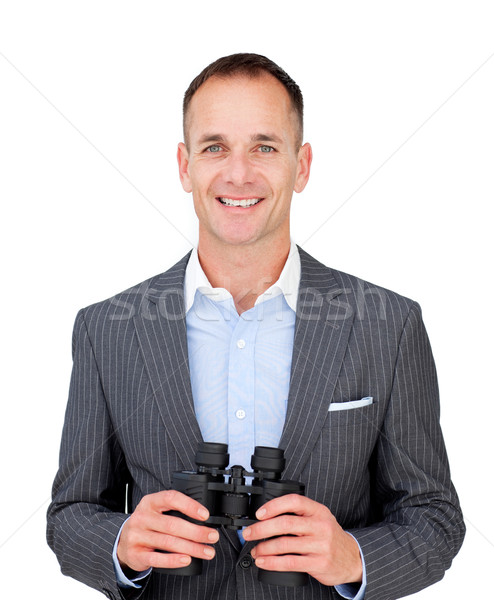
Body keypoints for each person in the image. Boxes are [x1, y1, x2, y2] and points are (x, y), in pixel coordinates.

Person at [47, 53, 465, 600]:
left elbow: (434, 517)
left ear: (302, 165)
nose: (238, 173)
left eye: (264, 147)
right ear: (184, 166)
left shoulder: (388, 325)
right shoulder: (106, 330)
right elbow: (69, 514)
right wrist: (123, 543)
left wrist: (351, 557)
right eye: (214, 146)